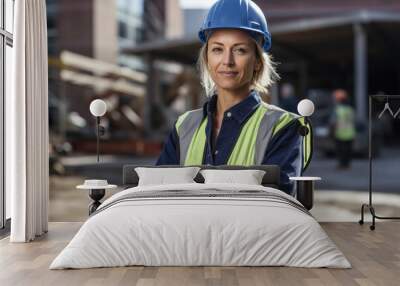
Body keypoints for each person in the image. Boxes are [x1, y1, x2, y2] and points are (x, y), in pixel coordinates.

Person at [156, 0, 311, 196]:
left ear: (257, 61)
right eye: (217, 49)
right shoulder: (184, 126)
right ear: (207, 58)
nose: (227, 61)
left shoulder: (283, 127)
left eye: (240, 50)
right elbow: (159, 193)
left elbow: (276, 206)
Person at [331, 89, 356, 169]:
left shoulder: (337, 110)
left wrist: (332, 132)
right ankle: (347, 165)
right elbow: (355, 121)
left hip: (340, 133)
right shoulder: (350, 110)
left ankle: (342, 165)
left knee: (340, 151)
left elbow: (333, 122)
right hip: (350, 133)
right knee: (348, 151)